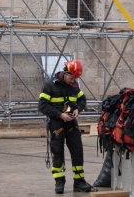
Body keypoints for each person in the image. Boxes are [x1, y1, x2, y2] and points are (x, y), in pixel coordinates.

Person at [39, 60, 93, 194]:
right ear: (64, 73)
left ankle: (79, 181)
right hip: (57, 123)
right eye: (71, 77)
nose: (72, 81)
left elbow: (82, 99)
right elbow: (42, 106)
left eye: (75, 78)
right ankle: (59, 181)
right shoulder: (49, 85)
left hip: (72, 124)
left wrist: (78, 110)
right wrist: (60, 115)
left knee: (77, 151)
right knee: (57, 152)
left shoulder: (74, 86)